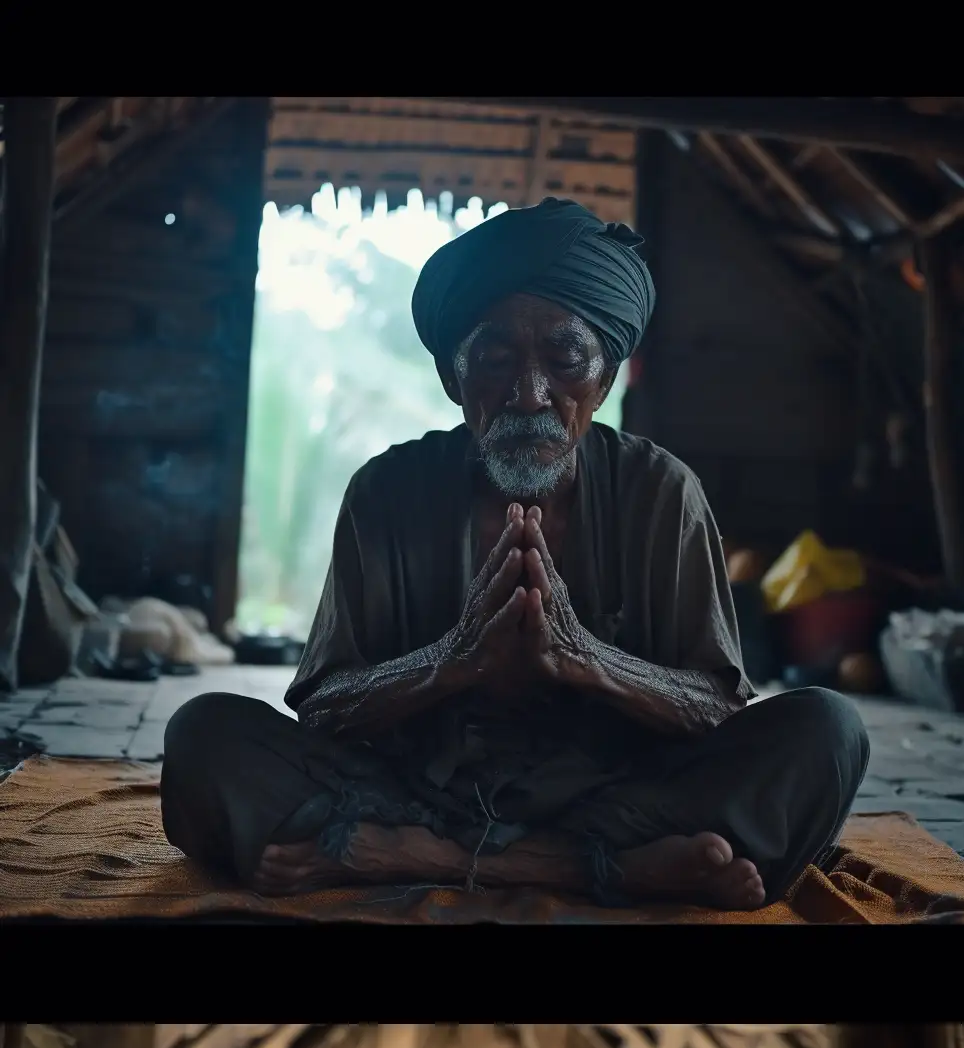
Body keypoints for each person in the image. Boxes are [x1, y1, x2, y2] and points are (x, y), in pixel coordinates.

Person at [160, 199, 869, 907]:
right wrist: (452, 661)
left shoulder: (661, 491)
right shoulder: (386, 490)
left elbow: (718, 705)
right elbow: (324, 705)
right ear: (452, 378)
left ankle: (411, 861)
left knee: (826, 732)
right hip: (410, 794)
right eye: (495, 360)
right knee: (206, 736)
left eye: (565, 359)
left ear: (606, 377)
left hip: (621, 801)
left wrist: (585, 659)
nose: (529, 394)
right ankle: (603, 873)